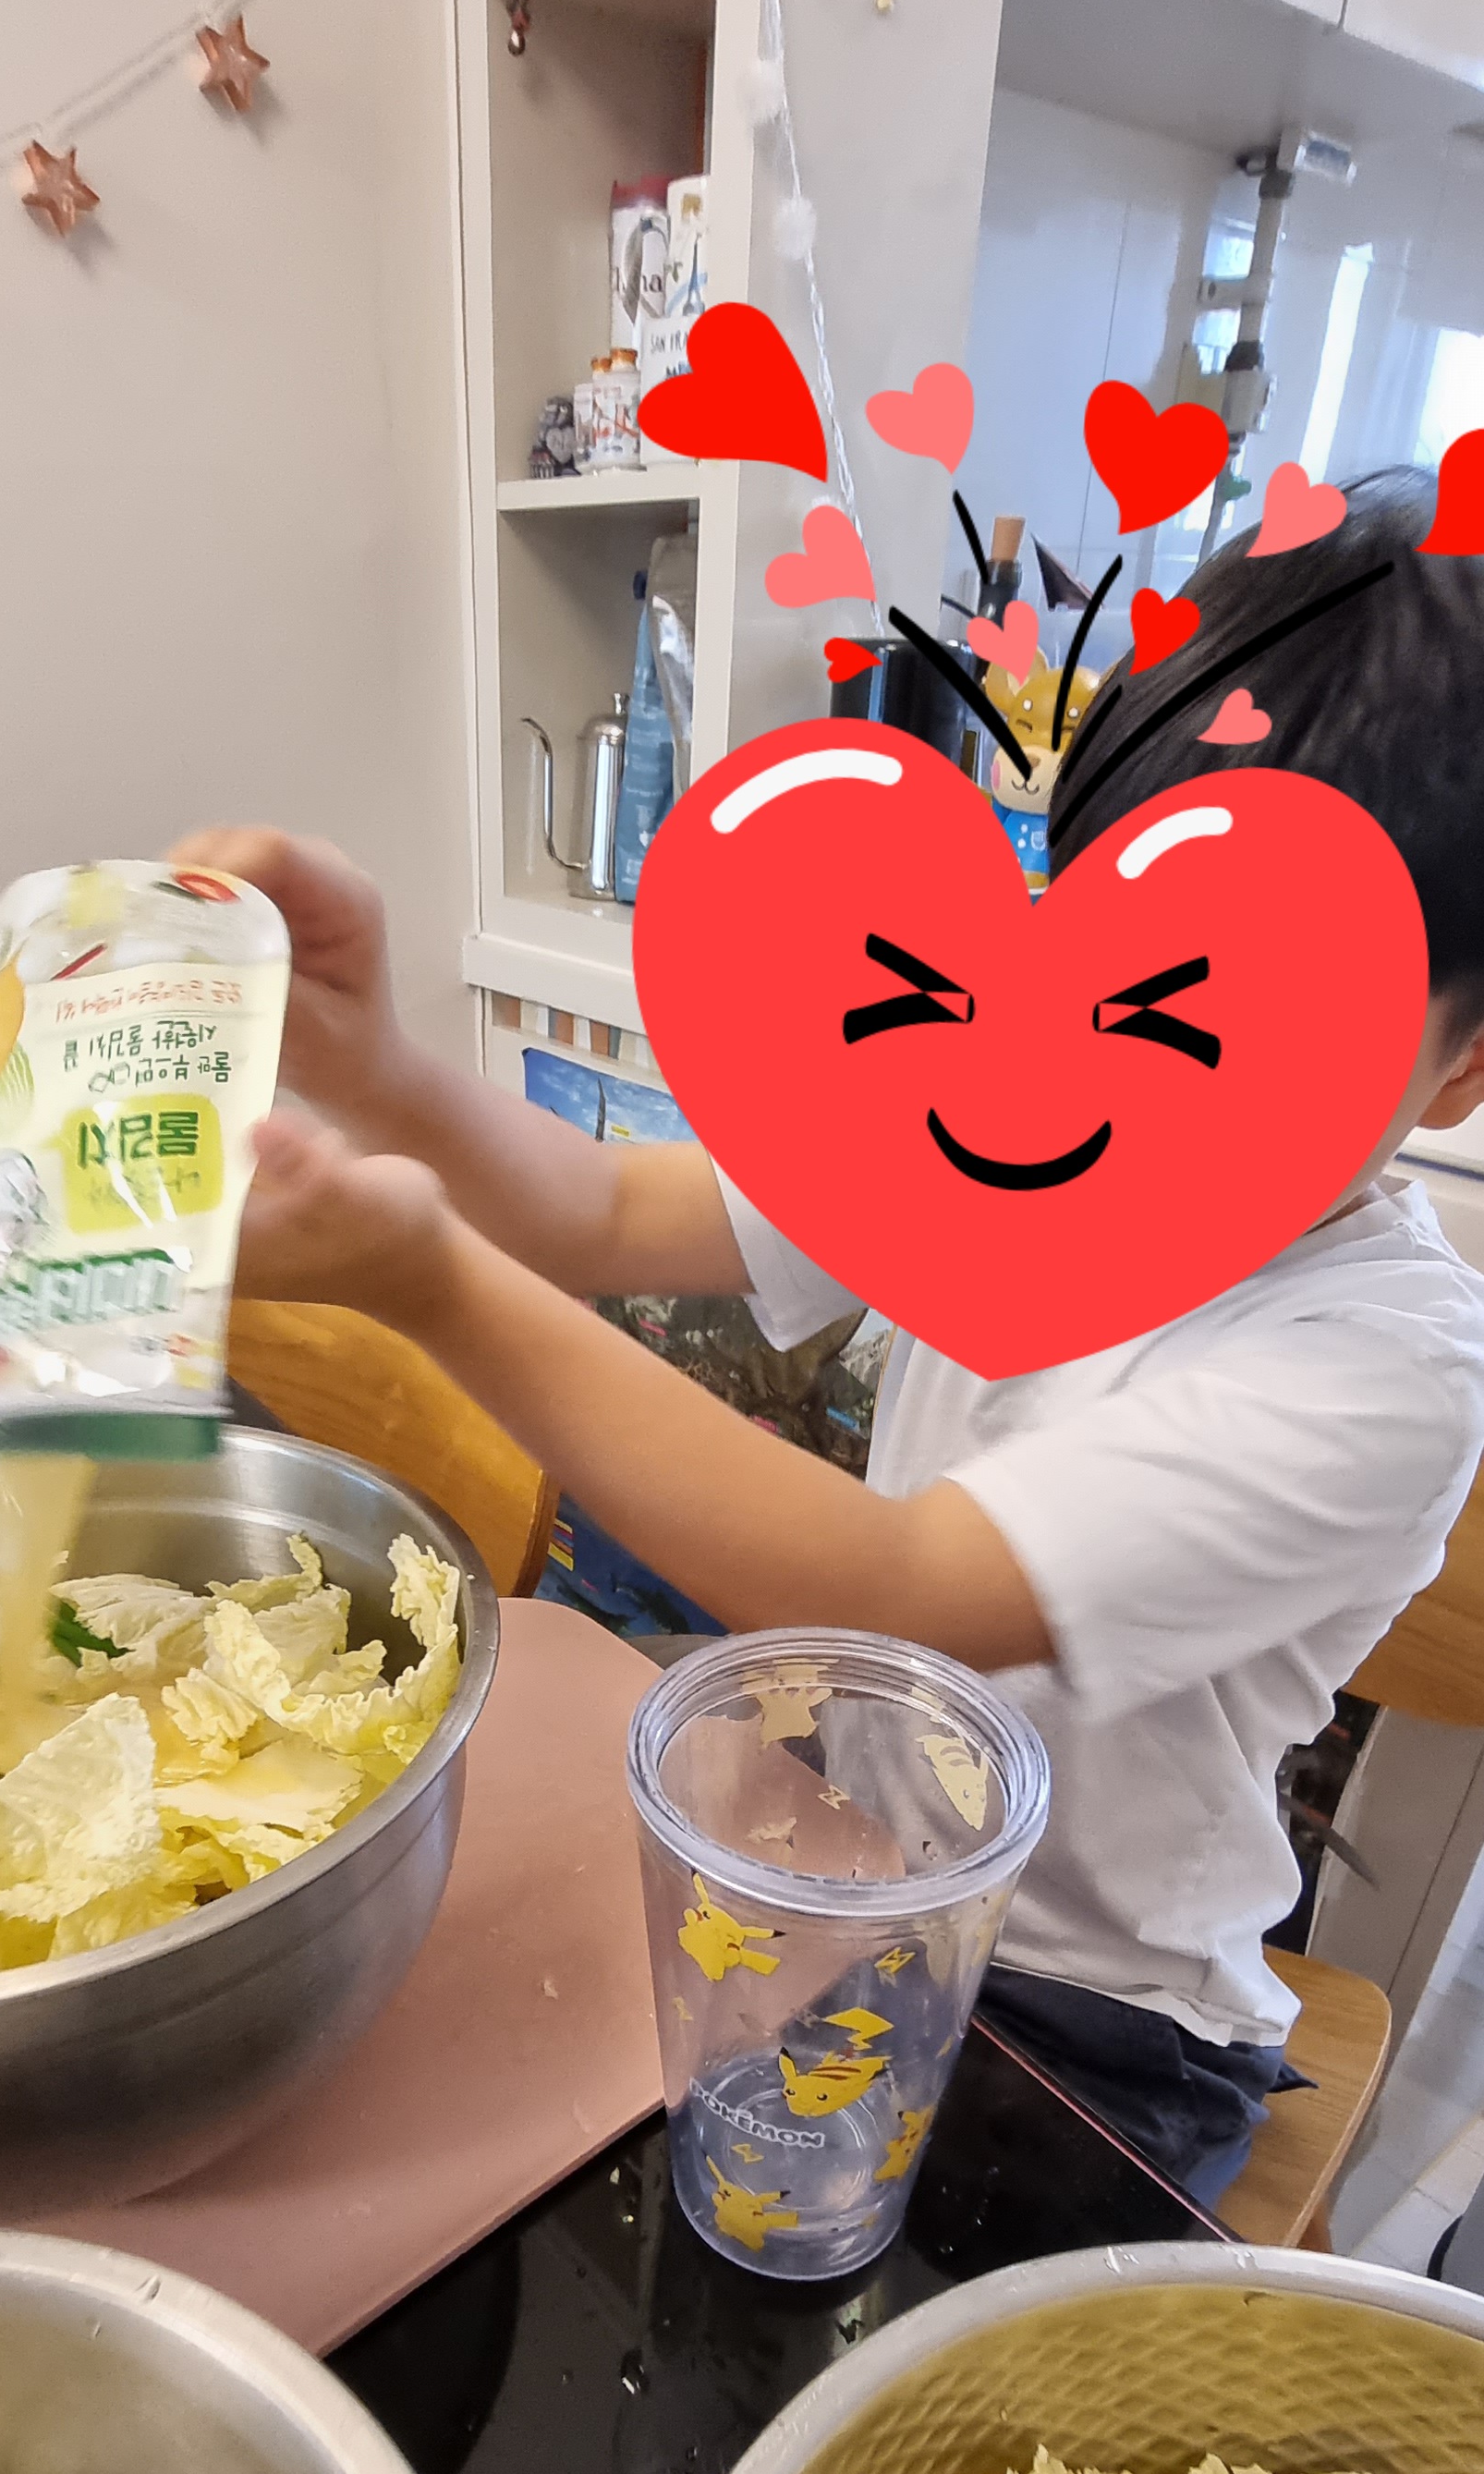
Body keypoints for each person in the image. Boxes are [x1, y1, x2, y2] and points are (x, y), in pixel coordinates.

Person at [180, 469, 1484, 2204]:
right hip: (853, 1863)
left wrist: (426, 1279)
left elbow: (894, 1591)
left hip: (1091, 2014)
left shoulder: (1381, 1365)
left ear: (1459, 1068)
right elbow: (600, 1209)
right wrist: (376, 1066)